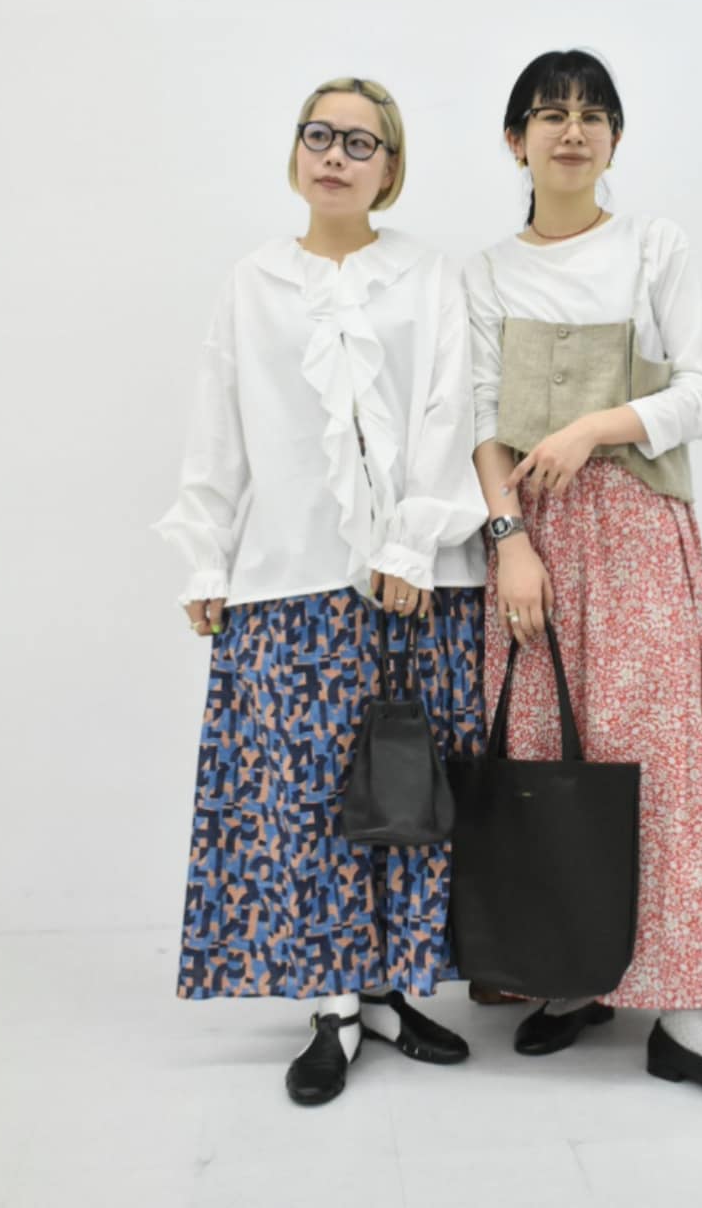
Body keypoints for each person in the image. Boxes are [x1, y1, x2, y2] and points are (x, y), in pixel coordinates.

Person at [463, 50, 702, 1114]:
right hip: (533, 538)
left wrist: (594, 425)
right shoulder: (483, 272)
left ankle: (684, 1014)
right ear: (515, 140)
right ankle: (575, 972)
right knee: (548, 756)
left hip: (640, 530)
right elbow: (478, 417)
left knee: (657, 765)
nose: (572, 132)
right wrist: (510, 540)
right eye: (550, 114)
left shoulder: (654, 245)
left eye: (592, 115)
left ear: (613, 139)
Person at [155, 76, 487, 1106]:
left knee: (406, 795)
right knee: (305, 801)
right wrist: (206, 554)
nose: (335, 154)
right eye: (319, 135)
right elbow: (220, 420)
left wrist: (413, 541)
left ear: (391, 167)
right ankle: (335, 1005)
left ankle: (386, 992)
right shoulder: (252, 281)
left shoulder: (427, 275)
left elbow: (450, 407)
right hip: (288, 579)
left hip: (413, 581)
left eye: (360, 141)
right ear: (296, 152)